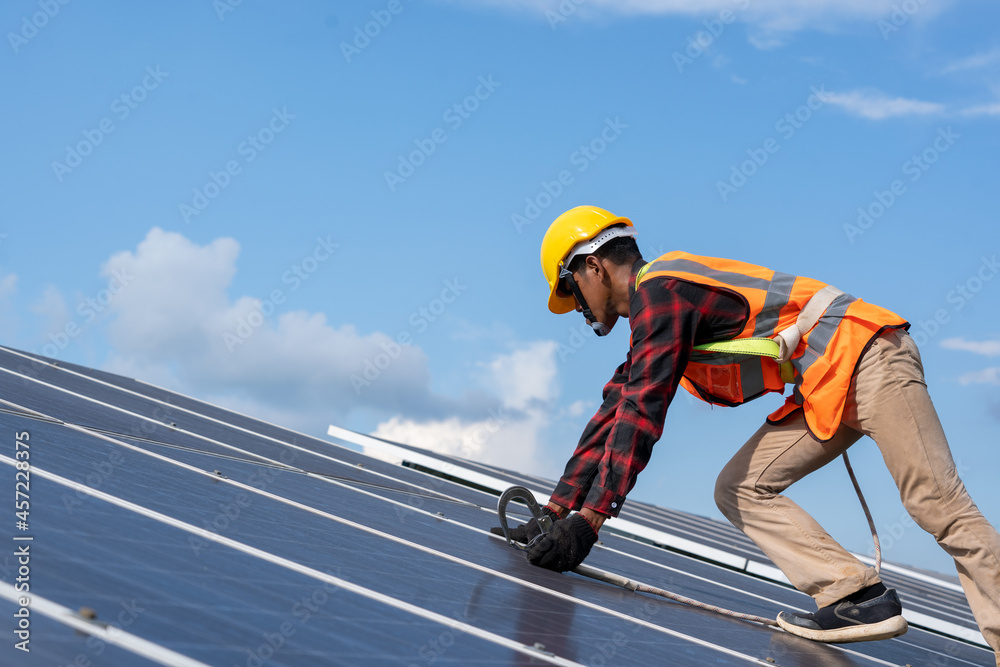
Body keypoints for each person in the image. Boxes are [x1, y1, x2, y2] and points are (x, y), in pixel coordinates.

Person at [507, 205, 1000, 655]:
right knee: (740, 486)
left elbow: (642, 412)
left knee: (937, 505)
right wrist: (555, 511)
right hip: (827, 384)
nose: (577, 307)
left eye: (570, 289)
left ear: (593, 266)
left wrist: (590, 521)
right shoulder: (657, 306)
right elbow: (617, 407)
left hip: (870, 359)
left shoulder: (661, 294)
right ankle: (855, 595)